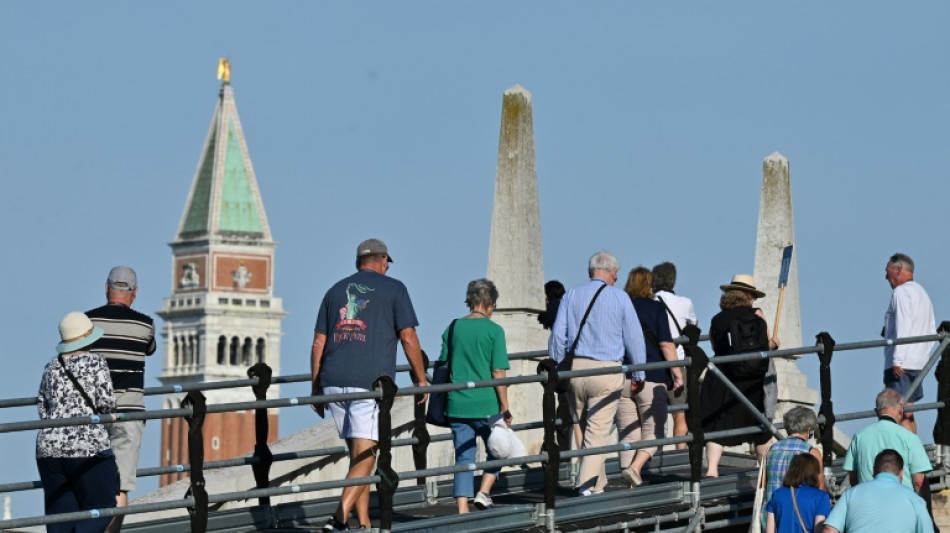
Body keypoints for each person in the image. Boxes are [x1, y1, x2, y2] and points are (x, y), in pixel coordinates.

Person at [310, 239, 429, 531]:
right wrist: (421, 378)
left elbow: (318, 343)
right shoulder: (395, 289)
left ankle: (362, 523)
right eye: (387, 262)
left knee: (358, 455)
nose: (388, 267)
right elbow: (409, 337)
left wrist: (316, 388)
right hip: (369, 384)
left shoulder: (334, 291)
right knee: (367, 456)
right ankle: (339, 518)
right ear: (382, 259)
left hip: (334, 382)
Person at [549, 251, 647, 496]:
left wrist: (558, 366)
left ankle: (598, 484)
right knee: (598, 431)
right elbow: (634, 339)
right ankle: (584, 486)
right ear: (612, 272)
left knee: (584, 427)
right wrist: (639, 373)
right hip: (606, 369)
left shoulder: (571, 295)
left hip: (576, 370)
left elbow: (557, 337)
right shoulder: (621, 298)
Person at [84, 266, 155, 532]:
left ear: (106, 288)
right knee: (120, 482)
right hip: (129, 411)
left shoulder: (88, 322)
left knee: (89, 478)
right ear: (134, 293)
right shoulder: (145, 324)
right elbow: (149, 349)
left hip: (93, 412)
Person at [37, 312, 118, 533]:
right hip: (87, 446)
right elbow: (107, 404)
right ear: (88, 339)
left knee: (60, 517)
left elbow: (43, 408)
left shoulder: (51, 366)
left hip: (49, 448)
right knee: (103, 506)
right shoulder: (96, 362)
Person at [441, 279, 512, 513]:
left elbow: (443, 362)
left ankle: (462, 509)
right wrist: (505, 405)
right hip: (487, 404)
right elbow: (498, 371)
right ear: (489, 303)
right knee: (500, 449)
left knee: (464, 457)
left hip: (457, 403)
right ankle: (484, 491)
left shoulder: (452, 328)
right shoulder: (494, 331)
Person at [702, 274, 777, 477]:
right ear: (750, 296)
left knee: (719, 425)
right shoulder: (756, 316)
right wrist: (774, 344)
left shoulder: (717, 319)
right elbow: (764, 347)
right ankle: (764, 471)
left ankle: (712, 469)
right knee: (760, 429)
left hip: (722, 377)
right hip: (752, 379)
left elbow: (715, 346)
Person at [617, 267, 683, 487]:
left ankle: (629, 485)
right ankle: (636, 468)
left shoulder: (620, 307)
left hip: (623, 377)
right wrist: (677, 374)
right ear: (650, 285)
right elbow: (666, 344)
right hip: (651, 376)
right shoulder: (656, 308)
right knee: (655, 431)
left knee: (629, 434)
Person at [882, 253, 935, 433]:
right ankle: (912, 452)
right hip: (917, 362)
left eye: (887, 271)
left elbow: (903, 325)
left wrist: (898, 360)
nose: (885, 276)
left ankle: (902, 456)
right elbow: (930, 331)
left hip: (902, 365)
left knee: (894, 412)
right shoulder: (922, 293)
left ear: (897, 270)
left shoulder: (901, 292)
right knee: (908, 411)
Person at [823, 449, 934, 533]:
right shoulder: (915, 500)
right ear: (901, 473)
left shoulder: (851, 494)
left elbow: (829, 529)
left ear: (874, 470)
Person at [843, 388, 931, 494]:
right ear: (900, 409)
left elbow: (853, 478)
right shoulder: (910, 438)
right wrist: (925, 509)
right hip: (902, 503)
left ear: (876, 411)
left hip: (868, 504)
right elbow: (919, 482)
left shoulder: (859, 436)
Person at [652, 262, 697, 450]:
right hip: (677, 363)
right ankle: (679, 457)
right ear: (673, 280)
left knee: (651, 415)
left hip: (652, 364)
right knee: (680, 414)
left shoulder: (649, 302)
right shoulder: (685, 303)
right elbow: (693, 326)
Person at [762, 407, 825, 527]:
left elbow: (763, 483)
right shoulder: (810, 451)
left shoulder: (771, 449)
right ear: (809, 430)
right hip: (799, 518)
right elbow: (819, 487)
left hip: (770, 516)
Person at [765, 453, 830, 533]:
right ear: (815, 472)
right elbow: (818, 529)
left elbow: (769, 530)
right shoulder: (821, 497)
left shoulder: (777, 494)